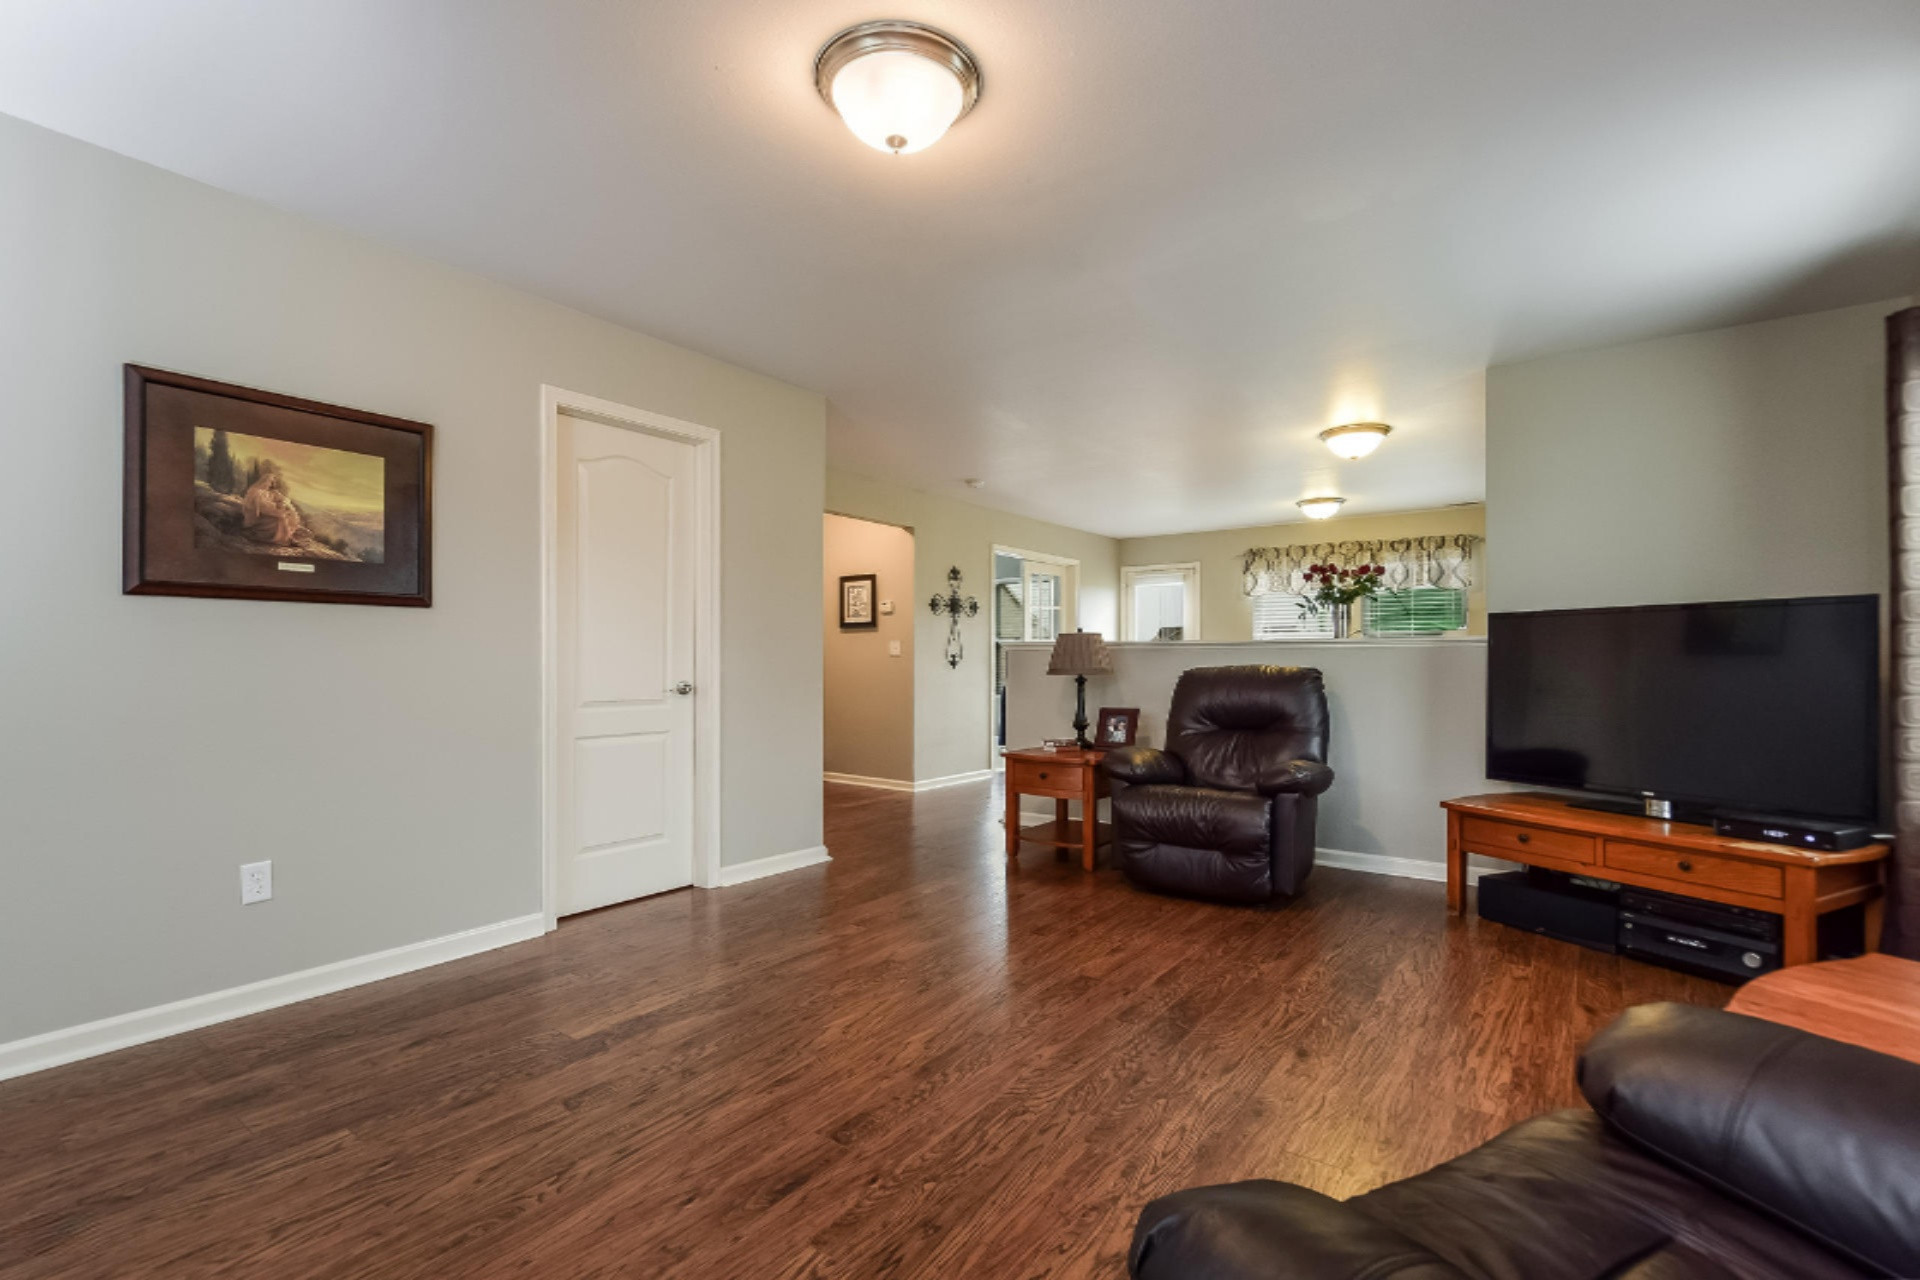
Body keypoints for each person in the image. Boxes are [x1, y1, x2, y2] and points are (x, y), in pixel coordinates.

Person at [241, 469, 303, 546]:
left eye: (272, 483)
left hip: (269, 513)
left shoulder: (270, 492)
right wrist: (276, 511)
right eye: (270, 482)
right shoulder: (256, 492)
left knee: (289, 515)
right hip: (260, 516)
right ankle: (282, 539)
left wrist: (283, 507)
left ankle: (288, 537)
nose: (270, 484)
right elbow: (263, 507)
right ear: (264, 481)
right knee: (280, 518)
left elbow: (282, 500)